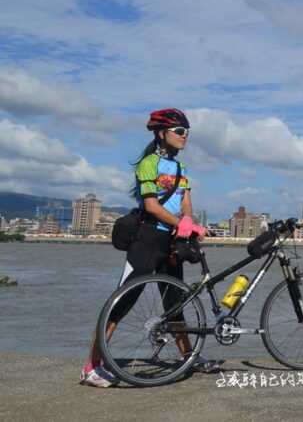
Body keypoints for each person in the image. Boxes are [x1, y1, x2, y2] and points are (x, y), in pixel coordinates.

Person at [81, 108, 217, 387]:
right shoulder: (148, 163)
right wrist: (182, 224)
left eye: (187, 132)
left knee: (175, 303)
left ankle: (187, 357)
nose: (184, 136)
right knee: (121, 302)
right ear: (161, 133)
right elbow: (152, 206)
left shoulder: (181, 169)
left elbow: (186, 204)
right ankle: (91, 367)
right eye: (179, 131)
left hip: (172, 243)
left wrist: (189, 225)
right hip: (147, 239)